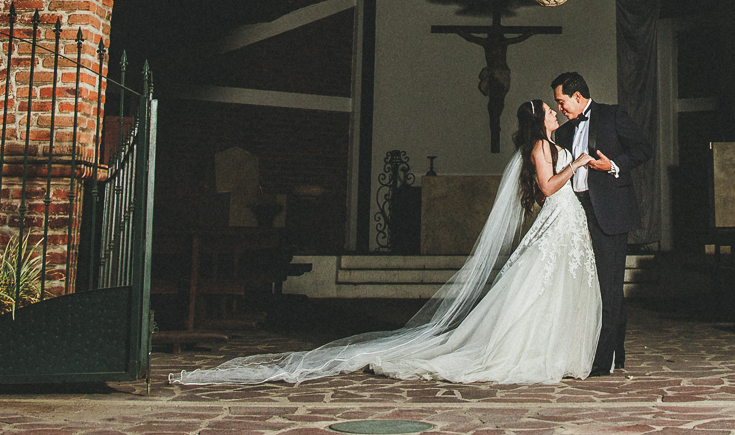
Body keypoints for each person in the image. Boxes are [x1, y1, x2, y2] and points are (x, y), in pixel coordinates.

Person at [168, 99, 601, 386]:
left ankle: (556, 351)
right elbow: (546, 188)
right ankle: (521, 351)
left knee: (559, 288)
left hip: (569, 225)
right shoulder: (539, 148)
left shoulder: (551, 142)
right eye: (549, 110)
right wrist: (577, 162)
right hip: (556, 218)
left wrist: (591, 165)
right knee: (535, 289)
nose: (554, 112)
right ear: (538, 119)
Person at [551, 70, 654, 377]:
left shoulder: (612, 115)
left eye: (562, 101)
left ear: (578, 96)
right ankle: (615, 353)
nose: (560, 108)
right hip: (576, 212)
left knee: (609, 288)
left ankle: (602, 361)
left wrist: (613, 165)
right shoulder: (564, 132)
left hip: (609, 212)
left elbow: (643, 149)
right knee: (590, 286)